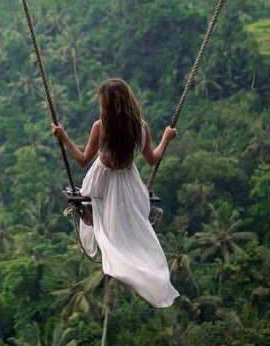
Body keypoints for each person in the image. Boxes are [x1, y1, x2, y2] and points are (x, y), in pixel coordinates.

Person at [52, 77, 179, 308]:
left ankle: (91, 216)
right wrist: (165, 139)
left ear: (106, 105)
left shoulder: (100, 128)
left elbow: (82, 160)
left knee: (101, 217)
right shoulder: (140, 127)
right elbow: (152, 159)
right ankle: (135, 263)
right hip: (128, 184)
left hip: (100, 184)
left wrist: (63, 137)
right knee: (129, 229)